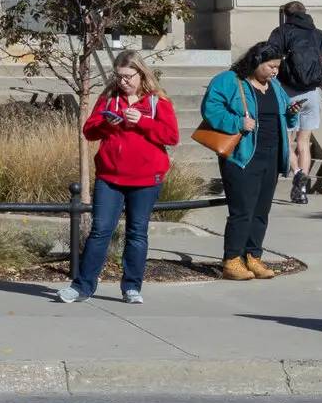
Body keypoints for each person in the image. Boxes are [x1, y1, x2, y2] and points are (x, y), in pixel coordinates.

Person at [59, 50, 180, 305]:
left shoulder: (157, 101)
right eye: (119, 76)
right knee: (100, 230)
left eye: (127, 76)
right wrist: (108, 124)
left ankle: (132, 287)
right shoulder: (109, 97)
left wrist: (143, 122)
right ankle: (82, 287)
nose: (123, 82)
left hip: (146, 178)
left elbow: (171, 136)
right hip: (110, 177)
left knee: (137, 233)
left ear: (141, 73)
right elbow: (89, 131)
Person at [201, 42, 295, 282]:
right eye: (271, 66)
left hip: (271, 155)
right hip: (242, 156)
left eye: (277, 67)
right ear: (256, 61)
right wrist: (237, 123)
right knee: (242, 210)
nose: (275, 72)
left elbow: (285, 115)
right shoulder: (229, 81)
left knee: (262, 210)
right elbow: (210, 109)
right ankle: (232, 260)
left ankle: (253, 255)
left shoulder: (274, 86)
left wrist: (292, 111)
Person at [266, 1, 322, 204]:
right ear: (305, 13)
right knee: (304, 142)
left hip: (287, 93)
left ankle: (297, 173)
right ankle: (301, 189)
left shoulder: (281, 32)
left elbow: (269, 56)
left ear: (286, 15)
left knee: (287, 141)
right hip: (311, 94)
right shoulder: (317, 34)